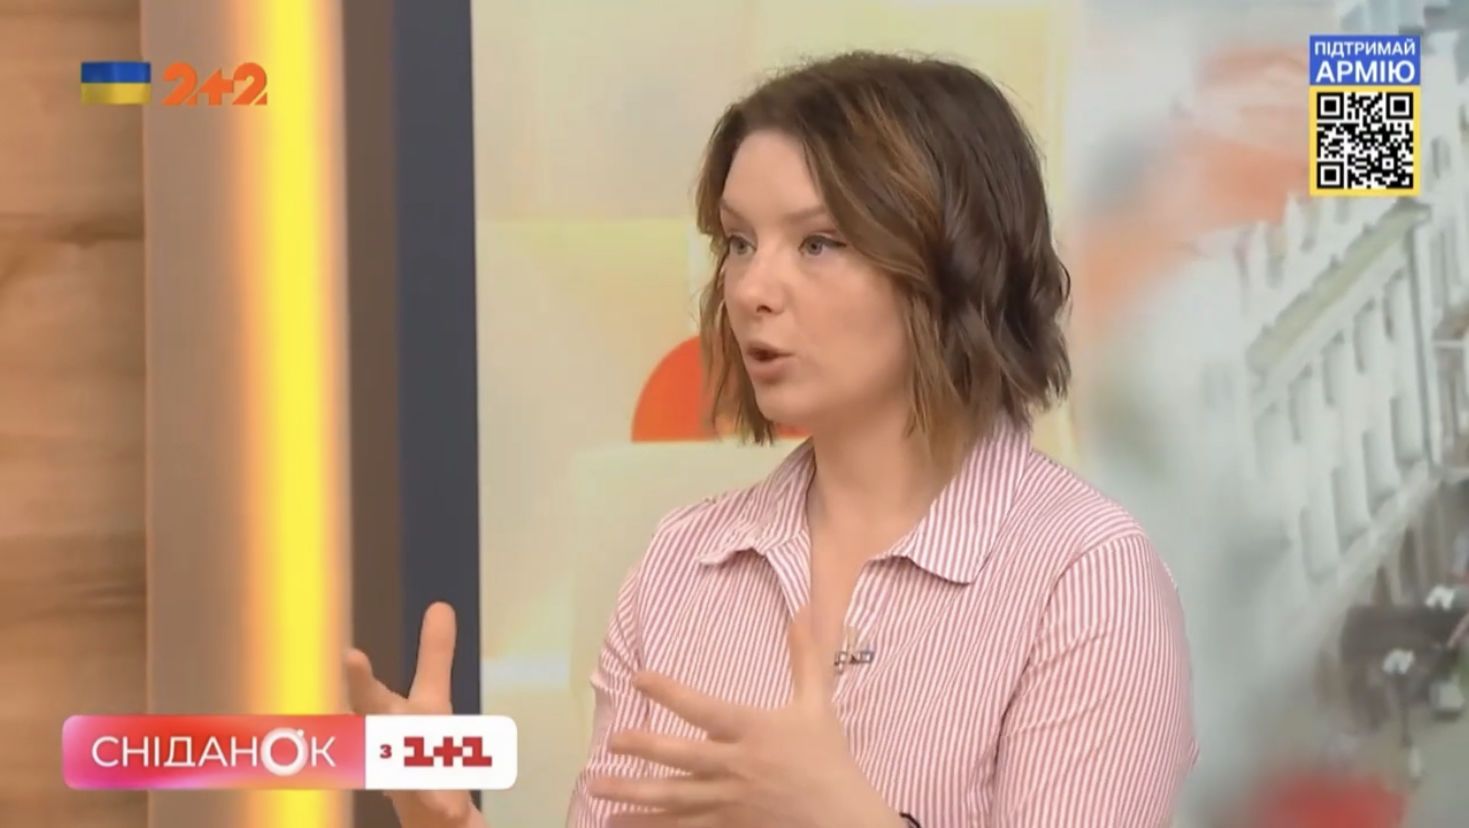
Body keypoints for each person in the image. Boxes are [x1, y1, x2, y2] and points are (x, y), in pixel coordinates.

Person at [346, 50, 1197, 827]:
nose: (752, 287)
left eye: (817, 243)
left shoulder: (1084, 576)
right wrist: (445, 823)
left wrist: (837, 814)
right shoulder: (682, 563)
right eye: (739, 243)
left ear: (957, 265)